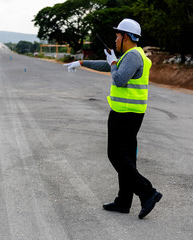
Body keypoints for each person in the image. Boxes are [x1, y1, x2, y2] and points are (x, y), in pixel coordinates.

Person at [64, 18, 162, 219]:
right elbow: (108, 66)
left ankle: (147, 192)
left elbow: (119, 78)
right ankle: (124, 201)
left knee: (116, 155)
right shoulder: (132, 55)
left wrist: (114, 62)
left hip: (124, 114)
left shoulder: (133, 56)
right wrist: (82, 63)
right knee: (126, 157)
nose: (115, 39)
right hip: (129, 113)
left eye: (117, 35)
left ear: (125, 36)